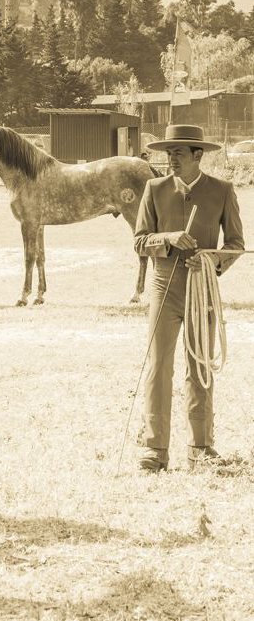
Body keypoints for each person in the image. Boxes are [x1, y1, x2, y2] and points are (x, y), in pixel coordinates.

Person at [134, 124, 244, 473]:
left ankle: (200, 447)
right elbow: (139, 241)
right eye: (168, 154)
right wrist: (166, 237)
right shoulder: (154, 189)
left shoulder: (223, 191)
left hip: (203, 288)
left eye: (178, 154)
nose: (171, 161)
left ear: (198, 155)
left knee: (200, 366)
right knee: (158, 366)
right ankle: (155, 450)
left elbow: (236, 245)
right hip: (164, 286)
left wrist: (212, 259)